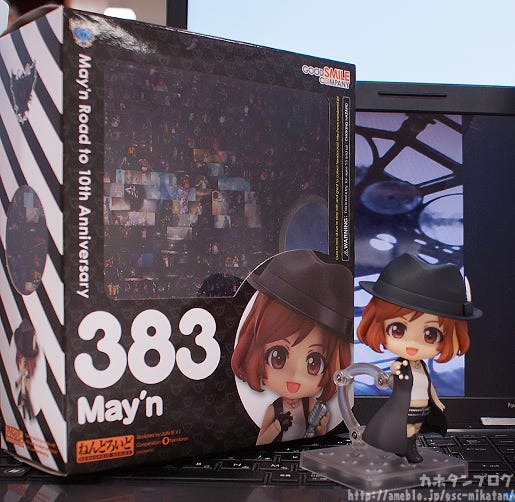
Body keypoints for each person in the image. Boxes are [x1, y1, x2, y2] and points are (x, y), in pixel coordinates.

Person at [357, 254, 482, 463]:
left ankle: (406, 448)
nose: (413, 344)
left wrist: (437, 401)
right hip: (402, 410)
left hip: (421, 409)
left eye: (430, 334)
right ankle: (406, 449)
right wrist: (396, 374)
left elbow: (428, 386)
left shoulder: (421, 367)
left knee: (414, 429)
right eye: (398, 329)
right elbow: (394, 375)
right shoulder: (402, 365)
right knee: (404, 430)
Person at [231, 249, 353, 445]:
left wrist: (321, 427)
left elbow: (320, 436)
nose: (295, 375)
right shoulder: (274, 410)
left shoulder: (311, 405)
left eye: (314, 363)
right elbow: (261, 442)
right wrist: (277, 426)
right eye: (278, 357)